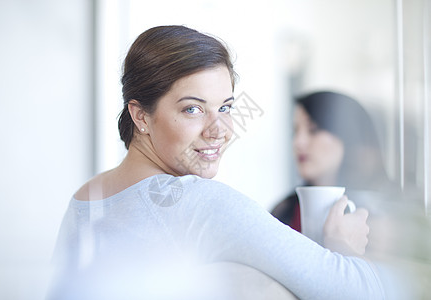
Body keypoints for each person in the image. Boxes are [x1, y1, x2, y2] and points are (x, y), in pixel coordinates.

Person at [48, 26, 384, 299]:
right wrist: (345, 249)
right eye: (192, 109)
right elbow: (364, 293)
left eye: (224, 108)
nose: (219, 131)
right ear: (141, 116)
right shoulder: (199, 204)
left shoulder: (86, 199)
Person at [271, 91, 392, 232]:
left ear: (348, 136)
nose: (298, 142)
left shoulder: (380, 214)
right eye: (295, 132)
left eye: (313, 130)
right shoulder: (284, 212)